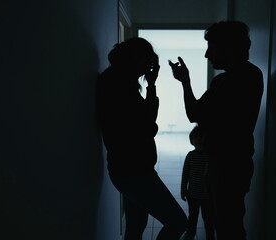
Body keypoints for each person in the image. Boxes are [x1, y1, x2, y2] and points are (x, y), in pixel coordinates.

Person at [168, 21, 264, 240]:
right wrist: (185, 81)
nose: (207, 55)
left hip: (231, 165)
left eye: (211, 47)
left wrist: (187, 84)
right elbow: (195, 115)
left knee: (229, 227)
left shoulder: (246, 76)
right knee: (223, 224)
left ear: (228, 47)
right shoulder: (223, 79)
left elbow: (199, 114)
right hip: (219, 163)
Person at [96, 37, 187, 240]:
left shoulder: (119, 80)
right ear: (135, 58)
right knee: (178, 222)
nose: (149, 67)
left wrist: (151, 85)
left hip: (128, 170)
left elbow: (144, 121)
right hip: (134, 172)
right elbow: (146, 126)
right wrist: (151, 126)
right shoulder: (119, 85)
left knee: (136, 226)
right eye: (148, 61)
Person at [181, 125, 215, 240]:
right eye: (196, 137)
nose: (199, 139)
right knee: (193, 217)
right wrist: (183, 190)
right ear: (192, 141)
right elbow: (185, 174)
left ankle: (210, 235)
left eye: (201, 137)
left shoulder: (210, 156)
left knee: (208, 218)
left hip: (207, 196)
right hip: (193, 195)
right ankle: (190, 233)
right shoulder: (190, 156)